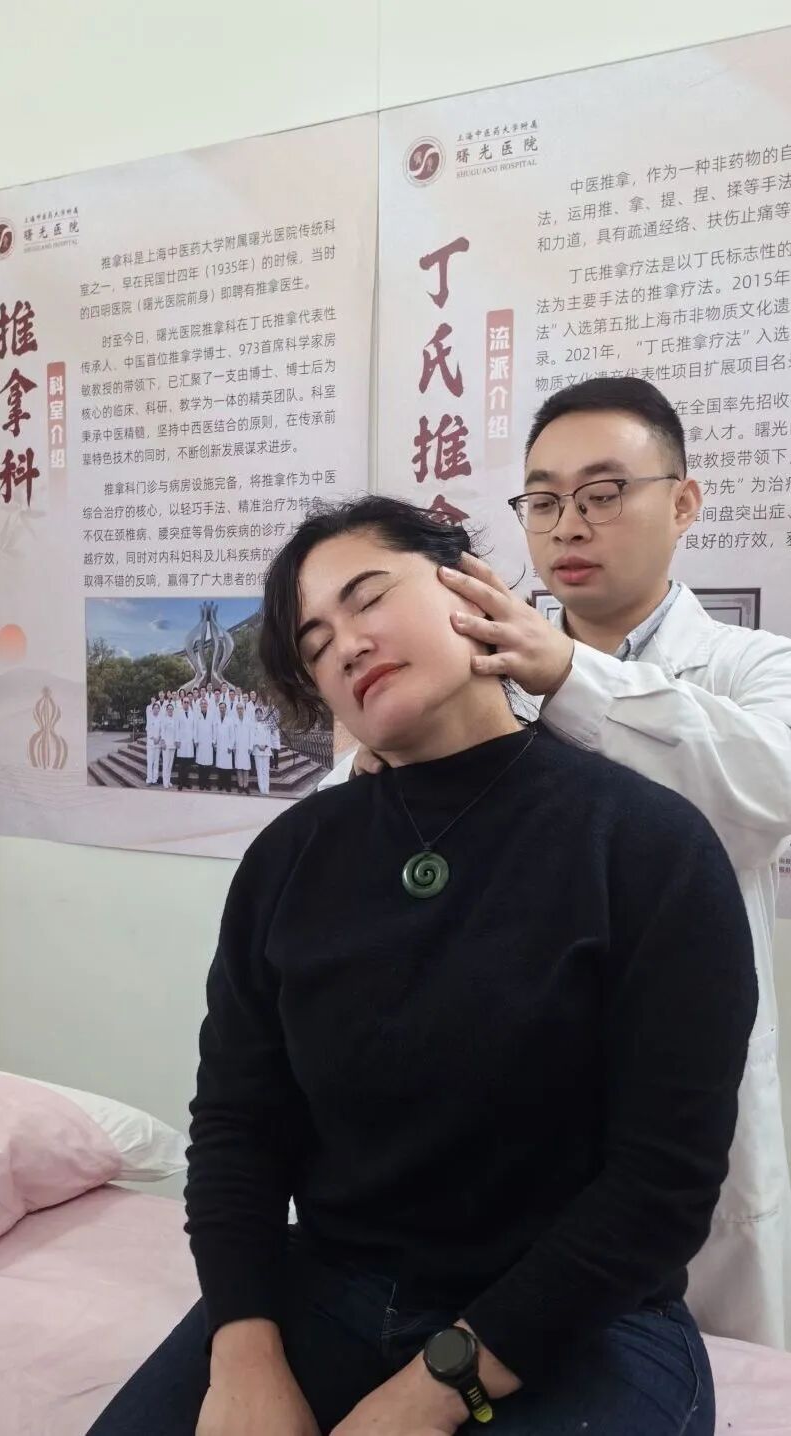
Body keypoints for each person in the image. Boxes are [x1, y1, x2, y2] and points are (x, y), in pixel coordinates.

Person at [89, 495, 756, 1436]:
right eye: (316, 644)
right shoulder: (291, 858)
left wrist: (434, 1392)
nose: (348, 646)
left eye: (368, 598)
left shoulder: (646, 846)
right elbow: (239, 1126)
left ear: (468, 587)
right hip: (329, 1284)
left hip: (580, 1319)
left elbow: (663, 1184)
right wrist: (244, 1356)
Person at [326, 378, 791, 1351]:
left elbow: (763, 795)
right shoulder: (470, 666)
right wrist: (373, 769)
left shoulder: (755, 665)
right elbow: (344, 853)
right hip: (499, 1099)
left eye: (603, 492)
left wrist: (570, 676)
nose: (568, 524)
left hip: (668, 1095)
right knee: (503, 1348)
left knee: (692, 1363)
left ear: (683, 502)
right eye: (542, 499)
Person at [194, 698, 217, 792]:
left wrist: (214, 740)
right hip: (200, 742)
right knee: (200, 764)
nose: (203, 705)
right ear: (200, 705)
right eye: (202, 704)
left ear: (207, 705)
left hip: (208, 742)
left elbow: (214, 728)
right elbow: (195, 728)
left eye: (205, 703)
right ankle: (201, 783)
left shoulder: (211, 715)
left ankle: (207, 783)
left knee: (207, 764)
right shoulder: (197, 715)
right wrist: (195, 740)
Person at [175, 697, 197, 792]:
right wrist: (177, 740)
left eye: (188, 702)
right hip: (181, 742)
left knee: (188, 765)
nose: (186, 703)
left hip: (189, 742)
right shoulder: (179, 714)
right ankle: (180, 783)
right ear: (182, 703)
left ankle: (186, 782)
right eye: (185, 702)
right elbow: (177, 728)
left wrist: (194, 739)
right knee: (181, 765)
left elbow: (194, 728)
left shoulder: (192, 714)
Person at [214, 701, 236, 794]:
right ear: (219, 709)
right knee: (220, 767)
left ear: (226, 709)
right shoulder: (216, 720)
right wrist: (214, 743)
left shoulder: (230, 720)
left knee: (227, 768)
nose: (222, 709)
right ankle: (220, 785)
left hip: (227, 747)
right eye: (220, 708)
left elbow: (233, 735)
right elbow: (215, 733)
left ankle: (228, 786)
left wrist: (231, 746)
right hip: (219, 746)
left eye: (223, 708)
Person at [252, 703, 272, 795]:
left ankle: (266, 789)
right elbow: (253, 737)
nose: (259, 715)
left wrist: (265, 745)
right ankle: (261, 788)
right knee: (259, 770)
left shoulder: (267, 725)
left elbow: (269, 737)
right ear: (255, 715)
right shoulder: (253, 725)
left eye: (260, 713)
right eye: (257, 714)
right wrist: (258, 745)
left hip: (266, 750)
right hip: (257, 750)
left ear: (262, 714)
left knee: (265, 771)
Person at [233, 701, 253, 794]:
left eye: (241, 708)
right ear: (236, 710)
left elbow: (251, 734)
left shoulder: (248, 720)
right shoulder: (234, 720)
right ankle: (240, 786)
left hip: (246, 747)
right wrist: (233, 746)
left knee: (246, 767)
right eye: (238, 709)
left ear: (244, 709)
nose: (240, 710)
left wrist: (250, 747)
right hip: (237, 747)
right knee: (239, 767)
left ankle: (246, 786)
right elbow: (233, 735)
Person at [160, 702, 178, 790]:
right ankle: (165, 782)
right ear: (166, 710)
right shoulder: (164, 719)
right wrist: (163, 742)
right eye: (169, 709)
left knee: (170, 764)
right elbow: (162, 732)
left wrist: (176, 741)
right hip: (166, 745)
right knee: (166, 764)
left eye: (171, 709)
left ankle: (168, 780)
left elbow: (176, 732)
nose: (170, 710)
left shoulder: (174, 720)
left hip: (173, 745)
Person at [144, 701, 162, 786]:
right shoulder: (149, 718)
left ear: (159, 710)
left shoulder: (160, 719)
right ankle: (149, 780)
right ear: (152, 709)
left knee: (156, 762)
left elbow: (162, 730)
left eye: (157, 708)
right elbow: (148, 730)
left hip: (158, 743)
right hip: (151, 743)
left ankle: (155, 780)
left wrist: (158, 738)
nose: (156, 709)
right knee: (150, 762)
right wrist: (153, 738)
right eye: (155, 708)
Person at [267, 700, 282, 770]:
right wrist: (269, 729)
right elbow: (266, 720)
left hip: (275, 731)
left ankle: (276, 764)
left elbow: (278, 721)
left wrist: (273, 729)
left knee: (276, 748)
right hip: (268, 731)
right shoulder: (266, 710)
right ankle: (271, 763)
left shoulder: (276, 710)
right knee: (269, 748)